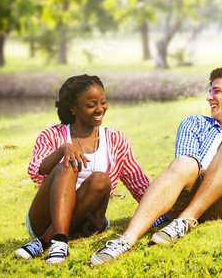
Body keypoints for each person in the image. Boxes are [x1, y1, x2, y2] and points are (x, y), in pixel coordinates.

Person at [90, 67, 222, 264]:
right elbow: (184, 169)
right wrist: (216, 172)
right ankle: (125, 240)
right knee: (186, 161)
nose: (209, 97)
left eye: (216, 91)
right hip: (186, 198)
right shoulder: (195, 124)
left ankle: (186, 220)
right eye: (210, 91)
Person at [15, 75, 151, 265]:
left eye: (103, 102)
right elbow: (36, 171)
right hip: (45, 220)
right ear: (73, 107)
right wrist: (63, 149)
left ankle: (46, 242)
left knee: (101, 179)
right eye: (91, 105)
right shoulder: (52, 135)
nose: (100, 109)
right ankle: (59, 240)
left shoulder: (116, 139)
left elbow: (139, 184)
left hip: (87, 224)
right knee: (67, 165)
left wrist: (167, 210)